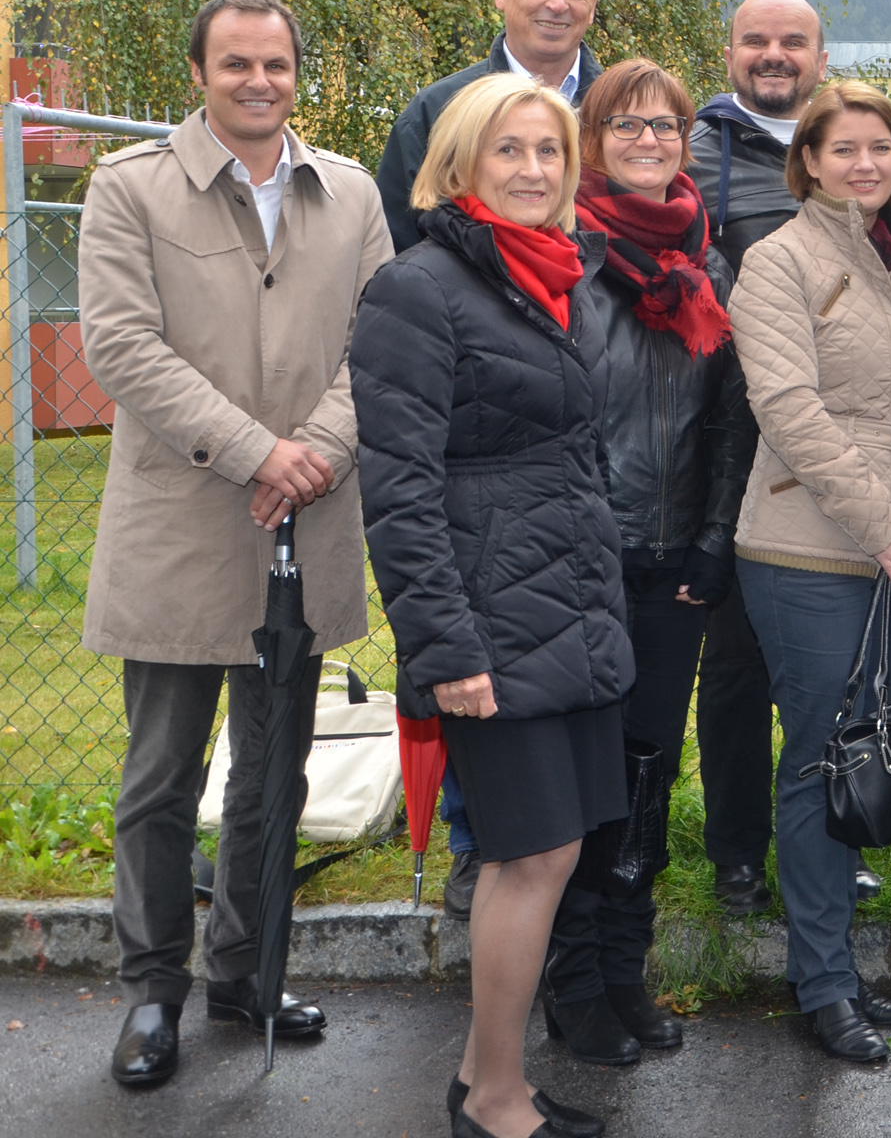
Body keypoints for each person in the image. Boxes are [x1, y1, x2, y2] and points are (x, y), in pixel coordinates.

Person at [80, 0, 390, 1088]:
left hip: (304, 529)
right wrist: (262, 453)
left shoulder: (349, 194)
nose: (259, 82)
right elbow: (121, 345)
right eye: (236, 64)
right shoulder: (131, 191)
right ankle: (153, 991)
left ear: (299, 71)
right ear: (199, 72)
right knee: (160, 780)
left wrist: (313, 450)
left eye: (277, 64)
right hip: (182, 528)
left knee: (275, 774)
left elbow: (380, 343)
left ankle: (247, 979)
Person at [354, 74, 631, 1138]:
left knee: (554, 852)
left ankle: (483, 1080)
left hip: (566, 603)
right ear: (459, 165)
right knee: (529, 856)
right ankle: (498, 1099)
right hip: (488, 621)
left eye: (549, 152)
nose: (531, 170)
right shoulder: (419, 289)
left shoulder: (558, 275)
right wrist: (445, 648)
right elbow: (400, 490)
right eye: (508, 151)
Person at [728, 81, 891, 1064]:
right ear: (811, 163)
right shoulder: (777, 261)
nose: (865, 164)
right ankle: (822, 983)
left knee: (865, 751)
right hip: (809, 548)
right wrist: (880, 521)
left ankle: (841, 966)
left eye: (881, 148)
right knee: (823, 762)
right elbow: (787, 408)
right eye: (845, 150)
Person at [374, 0, 605, 921]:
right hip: (480, 459)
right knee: (492, 710)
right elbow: (406, 259)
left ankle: (565, 909)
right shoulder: (442, 109)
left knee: (577, 787)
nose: (558, 4)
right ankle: (483, 849)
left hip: (580, 470)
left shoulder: (622, 102)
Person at [531, 59, 745, 1062]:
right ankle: (570, 989)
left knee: (646, 785)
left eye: (666, 127)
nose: (652, 143)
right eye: (628, 128)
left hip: (676, 566)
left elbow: (728, 424)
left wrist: (710, 542)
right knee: (582, 788)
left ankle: (626, 973)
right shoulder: (560, 256)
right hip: (585, 564)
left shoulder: (705, 260)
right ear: (593, 142)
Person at [683, 0, 834, 916]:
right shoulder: (692, 155)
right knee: (736, 664)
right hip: (732, 444)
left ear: (819, 56)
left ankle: (832, 834)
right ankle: (737, 849)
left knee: (828, 667)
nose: (773, 56)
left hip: (842, 443)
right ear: (729, 50)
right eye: (755, 41)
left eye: (792, 42)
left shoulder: (850, 148)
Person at [376, 0, 605, 252]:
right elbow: (396, 251)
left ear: (593, 6)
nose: (558, 4)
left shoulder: (624, 117)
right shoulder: (437, 112)